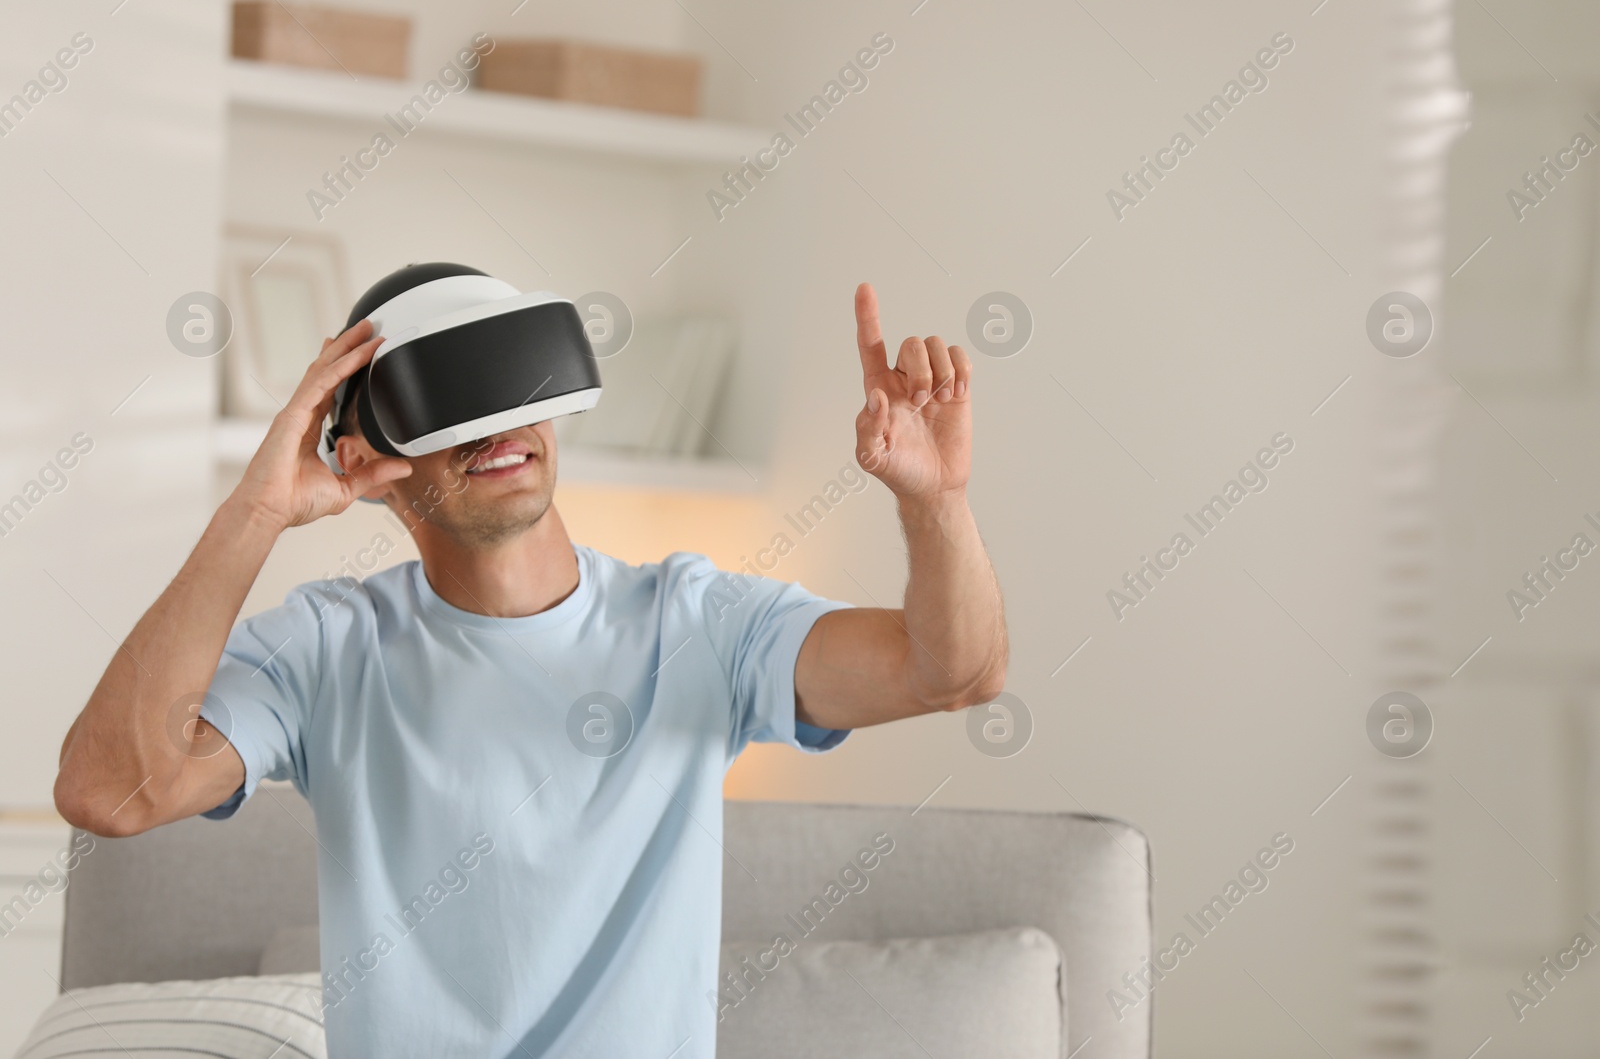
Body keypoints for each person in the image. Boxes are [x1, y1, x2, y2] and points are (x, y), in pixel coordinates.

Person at [53, 278, 1009, 1057]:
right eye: (447, 402)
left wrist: (938, 503)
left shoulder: (698, 621)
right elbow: (110, 791)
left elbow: (950, 674)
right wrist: (254, 514)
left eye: (514, 385)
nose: (497, 424)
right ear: (363, 454)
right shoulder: (325, 649)